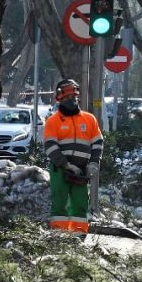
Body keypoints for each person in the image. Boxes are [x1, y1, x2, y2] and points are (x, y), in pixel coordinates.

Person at [42, 77, 104, 235]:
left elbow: (97, 143)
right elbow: (50, 147)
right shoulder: (53, 121)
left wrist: (93, 163)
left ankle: (78, 236)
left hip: (82, 170)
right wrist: (67, 165)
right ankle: (59, 236)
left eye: (74, 97)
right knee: (59, 203)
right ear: (60, 98)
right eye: (69, 98)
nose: (72, 100)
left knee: (80, 202)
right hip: (60, 169)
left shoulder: (89, 119)